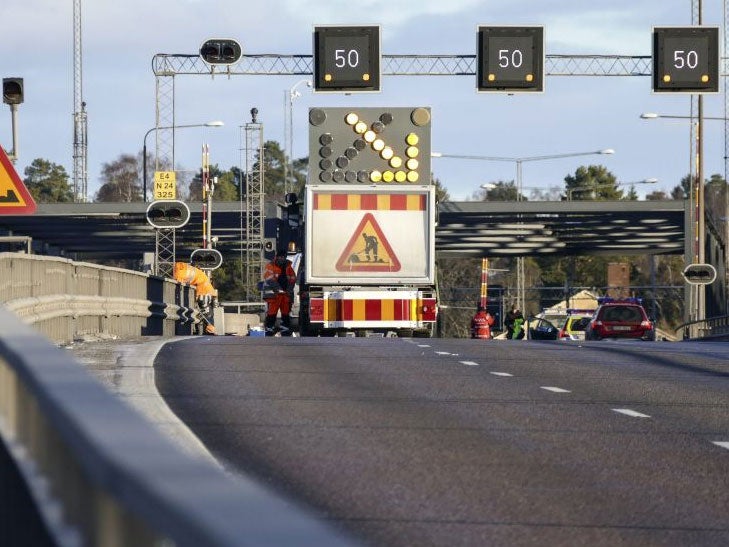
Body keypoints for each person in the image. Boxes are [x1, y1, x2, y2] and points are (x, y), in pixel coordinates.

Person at [262, 249, 297, 336]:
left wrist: (288, 289)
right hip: (274, 295)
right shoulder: (270, 266)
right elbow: (269, 278)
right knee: (272, 313)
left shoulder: (288, 267)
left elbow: (293, 279)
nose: (282, 259)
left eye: (283, 257)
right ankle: (269, 329)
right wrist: (278, 289)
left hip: (285, 294)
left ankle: (285, 329)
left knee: (285, 313)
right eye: (280, 257)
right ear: (277, 257)